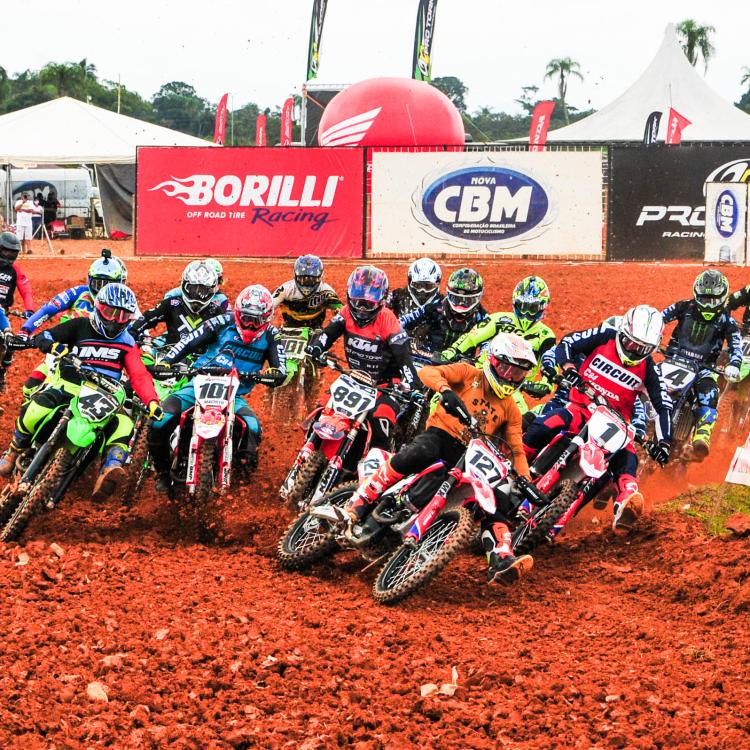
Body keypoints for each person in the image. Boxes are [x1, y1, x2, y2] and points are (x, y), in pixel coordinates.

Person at [344, 332, 537, 585]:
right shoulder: (469, 374)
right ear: (492, 361)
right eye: (506, 369)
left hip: (470, 456)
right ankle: (361, 500)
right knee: (420, 451)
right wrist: (446, 391)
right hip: (442, 436)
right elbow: (428, 372)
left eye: (518, 373)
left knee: (497, 498)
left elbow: (517, 450)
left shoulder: (511, 408)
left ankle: (501, 557)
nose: (510, 377)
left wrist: (525, 480)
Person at [0, 284, 163, 500]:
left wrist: (152, 401)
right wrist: (52, 345)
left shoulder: (127, 342)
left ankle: (109, 469)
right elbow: (45, 335)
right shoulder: (79, 325)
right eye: (110, 312)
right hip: (68, 385)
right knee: (37, 407)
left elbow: (139, 375)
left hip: (104, 396)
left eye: (123, 316)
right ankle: (14, 450)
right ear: (98, 307)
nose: (115, 320)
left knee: (124, 424)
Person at [524, 305, 673, 534]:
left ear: (652, 348)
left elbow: (663, 406)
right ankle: (516, 467)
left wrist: (663, 443)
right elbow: (568, 342)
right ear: (622, 332)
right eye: (631, 343)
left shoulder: (649, 368)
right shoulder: (605, 336)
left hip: (614, 425)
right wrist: (569, 367)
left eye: (643, 348)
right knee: (547, 424)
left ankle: (626, 500)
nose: (634, 351)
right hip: (581, 408)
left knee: (627, 456)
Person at [148, 285, 286, 490]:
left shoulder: (272, 335)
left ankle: (241, 481)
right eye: (246, 318)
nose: (250, 324)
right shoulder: (222, 322)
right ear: (237, 313)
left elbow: (281, 367)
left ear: (266, 319)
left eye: (256, 320)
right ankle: (162, 472)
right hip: (199, 385)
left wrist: (275, 373)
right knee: (160, 419)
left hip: (234, 394)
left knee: (253, 428)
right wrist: (167, 361)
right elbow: (189, 341)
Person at [305, 266, 419, 450]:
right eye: (358, 302)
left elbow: (404, 358)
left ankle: (378, 465)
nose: (362, 310)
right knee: (321, 411)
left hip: (384, 387)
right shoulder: (345, 313)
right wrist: (317, 347)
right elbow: (328, 333)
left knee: (380, 423)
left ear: (381, 301)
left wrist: (414, 384)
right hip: (353, 379)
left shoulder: (388, 321)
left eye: (368, 304)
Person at [442, 275, 557, 419]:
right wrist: (451, 351)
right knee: (442, 397)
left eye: (532, 308)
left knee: (520, 421)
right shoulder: (499, 319)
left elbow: (550, 362)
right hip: (481, 376)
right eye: (522, 306)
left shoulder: (546, 335)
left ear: (542, 307)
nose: (526, 313)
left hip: (512, 389)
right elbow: (472, 337)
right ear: (515, 303)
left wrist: (546, 384)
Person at [20, 250, 129, 396]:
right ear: (90, 280)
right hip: (63, 352)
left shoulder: (124, 303)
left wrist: (146, 345)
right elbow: (49, 308)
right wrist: (25, 330)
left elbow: (139, 325)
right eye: (98, 284)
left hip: (102, 358)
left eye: (109, 285)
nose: (102, 290)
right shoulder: (79, 292)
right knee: (30, 389)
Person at [662, 269, 741, 458]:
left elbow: (736, 346)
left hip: (704, 369)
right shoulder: (683, 307)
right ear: (696, 294)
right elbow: (658, 318)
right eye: (704, 299)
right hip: (674, 361)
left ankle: (701, 436)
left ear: (722, 298)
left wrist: (735, 364)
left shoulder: (727, 321)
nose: (708, 304)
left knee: (710, 393)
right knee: (648, 381)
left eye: (713, 300)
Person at [130, 261, 224, 346]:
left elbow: (226, 337)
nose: (197, 295)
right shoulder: (172, 303)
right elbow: (147, 317)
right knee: (147, 357)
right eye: (193, 288)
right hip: (168, 355)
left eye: (203, 290)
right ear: (185, 285)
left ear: (211, 290)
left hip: (202, 358)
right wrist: (133, 332)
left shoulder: (216, 311)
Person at [399, 267, 488, 354]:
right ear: (449, 294)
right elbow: (404, 320)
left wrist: (482, 357)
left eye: (467, 300)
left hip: (462, 363)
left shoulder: (483, 319)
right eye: (456, 298)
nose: (461, 303)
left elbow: (487, 348)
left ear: (477, 297)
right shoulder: (435, 306)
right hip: (427, 359)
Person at [272, 254, 341, 328]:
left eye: (312, 279)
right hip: (289, 330)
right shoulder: (284, 290)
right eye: (303, 279)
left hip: (316, 331)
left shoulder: (327, 292)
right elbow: (269, 306)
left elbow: (341, 313)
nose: (307, 282)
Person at [165, 259, 229, 311]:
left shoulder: (221, 298)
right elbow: (168, 298)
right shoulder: (185, 290)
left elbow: (228, 316)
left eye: (219, 279)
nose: (218, 282)